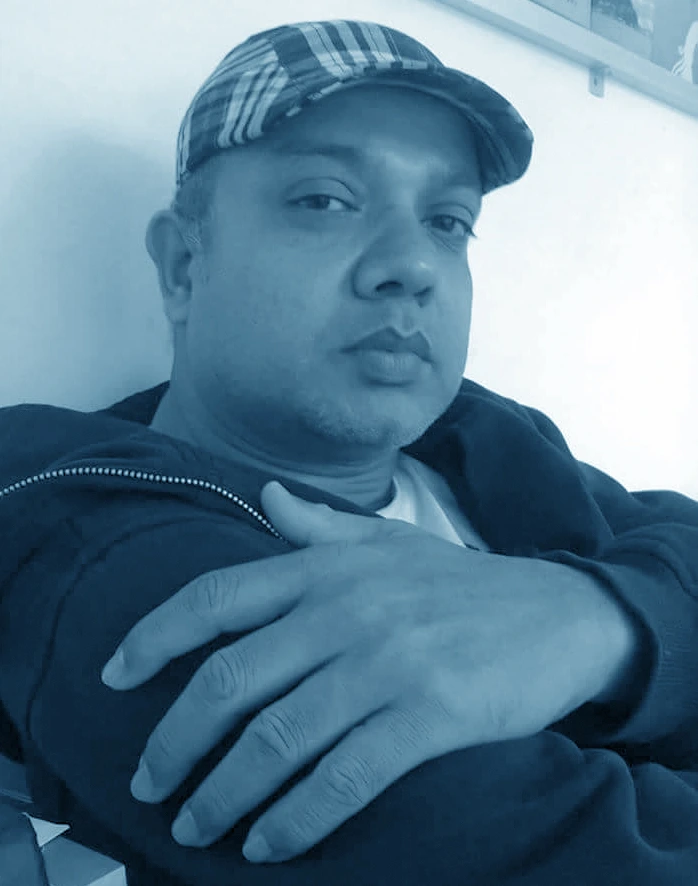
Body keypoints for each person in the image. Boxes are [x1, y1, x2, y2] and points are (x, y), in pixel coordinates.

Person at [1, 18, 698, 886]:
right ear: (183, 266)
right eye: (324, 200)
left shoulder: (493, 444)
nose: (414, 264)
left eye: (448, 220)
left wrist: (603, 619)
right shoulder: (88, 538)